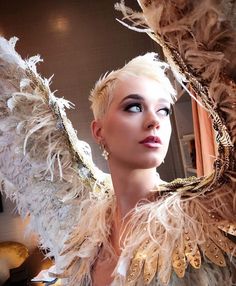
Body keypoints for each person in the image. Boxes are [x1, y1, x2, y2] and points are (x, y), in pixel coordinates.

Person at [89, 53, 175, 285]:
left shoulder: (198, 220)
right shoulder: (89, 232)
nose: (154, 121)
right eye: (135, 107)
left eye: (163, 110)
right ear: (99, 131)